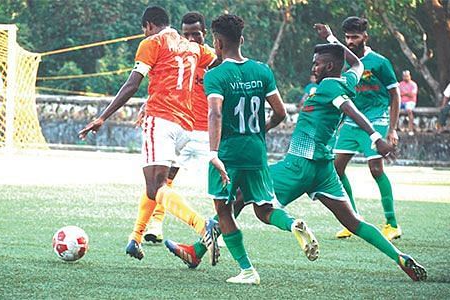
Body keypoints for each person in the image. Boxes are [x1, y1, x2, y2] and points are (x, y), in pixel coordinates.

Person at [166, 23, 428, 283]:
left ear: (329, 66)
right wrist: (332, 39)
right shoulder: (347, 80)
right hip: (324, 169)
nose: (313, 67)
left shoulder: (329, 88)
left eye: (317, 63)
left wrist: (376, 138)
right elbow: (357, 66)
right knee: (353, 221)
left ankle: (202, 250)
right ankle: (399, 257)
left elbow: (349, 109)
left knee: (244, 200)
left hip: (298, 165)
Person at [164, 14, 319, 285]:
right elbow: (281, 112)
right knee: (264, 208)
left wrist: (213, 153)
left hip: (228, 154)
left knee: (224, 212)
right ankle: (292, 224)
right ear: (243, 40)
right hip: (256, 152)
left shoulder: (216, 75)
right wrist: (260, 131)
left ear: (218, 42)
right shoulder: (261, 70)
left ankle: (247, 270)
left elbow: (215, 113)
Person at [78, 6, 220, 263]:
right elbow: (219, 60)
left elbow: (133, 83)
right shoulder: (194, 47)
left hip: (162, 121)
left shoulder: (151, 42)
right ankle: (136, 236)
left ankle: (202, 226)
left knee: (156, 187)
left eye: (144, 29)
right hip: (185, 126)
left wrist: (102, 117)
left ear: (149, 25)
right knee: (157, 184)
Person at [143, 11, 215, 245]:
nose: (192, 39)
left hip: (207, 134)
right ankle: (154, 224)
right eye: (187, 34)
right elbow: (167, 86)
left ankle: (219, 226)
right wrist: (148, 103)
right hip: (182, 126)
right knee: (164, 179)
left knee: (222, 184)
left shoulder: (213, 61)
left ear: (205, 34)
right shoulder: (180, 54)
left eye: (196, 34)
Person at [332, 17, 402, 241]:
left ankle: (392, 224)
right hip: (353, 122)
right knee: (336, 169)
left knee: (376, 169)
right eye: (347, 37)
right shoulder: (344, 63)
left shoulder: (380, 62)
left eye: (355, 37)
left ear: (365, 37)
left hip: (377, 119)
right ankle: (353, 220)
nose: (350, 41)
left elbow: (395, 94)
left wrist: (392, 129)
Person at [399, 70, 418, 135]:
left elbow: (412, 95)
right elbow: (398, 94)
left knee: (409, 110)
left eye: (407, 76)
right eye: (404, 76)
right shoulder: (400, 84)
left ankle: (410, 129)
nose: (406, 77)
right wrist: (407, 93)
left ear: (410, 76)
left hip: (410, 102)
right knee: (392, 110)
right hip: (401, 102)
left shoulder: (413, 84)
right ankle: (394, 128)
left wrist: (403, 93)